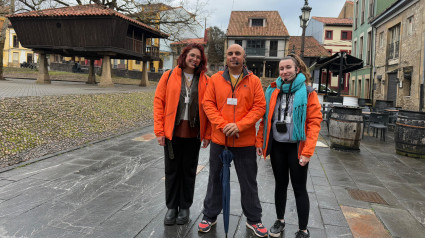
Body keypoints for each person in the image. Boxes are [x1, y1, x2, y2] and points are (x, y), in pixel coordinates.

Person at [198, 44, 268, 237]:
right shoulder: (215, 80)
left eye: (238, 53)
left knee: (248, 182)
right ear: (225, 58)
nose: (234, 56)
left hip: (245, 142)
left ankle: (254, 219)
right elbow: (208, 104)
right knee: (215, 179)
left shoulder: (253, 81)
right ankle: (209, 216)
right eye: (230, 54)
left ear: (244, 57)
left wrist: (240, 125)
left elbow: (259, 107)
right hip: (220, 140)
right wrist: (223, 125)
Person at [256, 54, 322, 238]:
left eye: (288, 68)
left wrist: (307, 152)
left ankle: (303, 229)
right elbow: (265, 119)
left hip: (297, 148)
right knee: (280, 185)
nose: (285, 71)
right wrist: (260, 141)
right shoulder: (273, 90)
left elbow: (314, 123)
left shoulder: (308, 92)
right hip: (277, 146)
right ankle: (280, 220)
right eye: (282, 68)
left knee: (299, 187)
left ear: (297, 69)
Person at [153, 43, 211, 226]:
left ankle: (184, 207)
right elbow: (158, 102)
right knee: (171, 171)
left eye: (198, 57)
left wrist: (207, 134)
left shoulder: (205, 80)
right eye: (192, 55)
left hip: (193, 134)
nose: (194, 59)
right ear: (185, 55)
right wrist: (159, 131)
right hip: (172, 133)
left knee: (189, 171)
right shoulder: (169, 76)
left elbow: (210, 108)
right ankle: (171, 207)